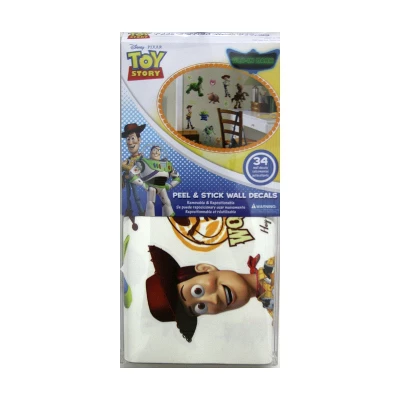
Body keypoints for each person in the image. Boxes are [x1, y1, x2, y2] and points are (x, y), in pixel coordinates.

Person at [146, 246, 275, 342]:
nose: (213, 300)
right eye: (201, 307)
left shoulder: (275, 265)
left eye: (197, 291)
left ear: (205, 268)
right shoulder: (275, 309)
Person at [129, 146, 181, 216]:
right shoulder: (143, 162)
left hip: (162, 187)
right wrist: (143, 184)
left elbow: (177, 178)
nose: (156, 152)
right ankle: (150, 219)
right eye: (154, 150)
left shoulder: (166, 164)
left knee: (167, 203)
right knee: (150, 204)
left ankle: (169, 219)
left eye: (159, 150)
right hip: (151, 187)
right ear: (150, 152)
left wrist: (170, 185)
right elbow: (131, 174)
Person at [121, 124, 146, 219]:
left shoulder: (141, 158)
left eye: (132, 138)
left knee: (137, 197)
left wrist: (124, 166)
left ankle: (142, 212)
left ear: (139, 140)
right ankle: (129, 210)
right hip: (127, 180)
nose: (130, 142)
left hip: (136, 180)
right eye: (128, 139)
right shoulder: (128, 159)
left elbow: (135, 171)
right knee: (127, 196)